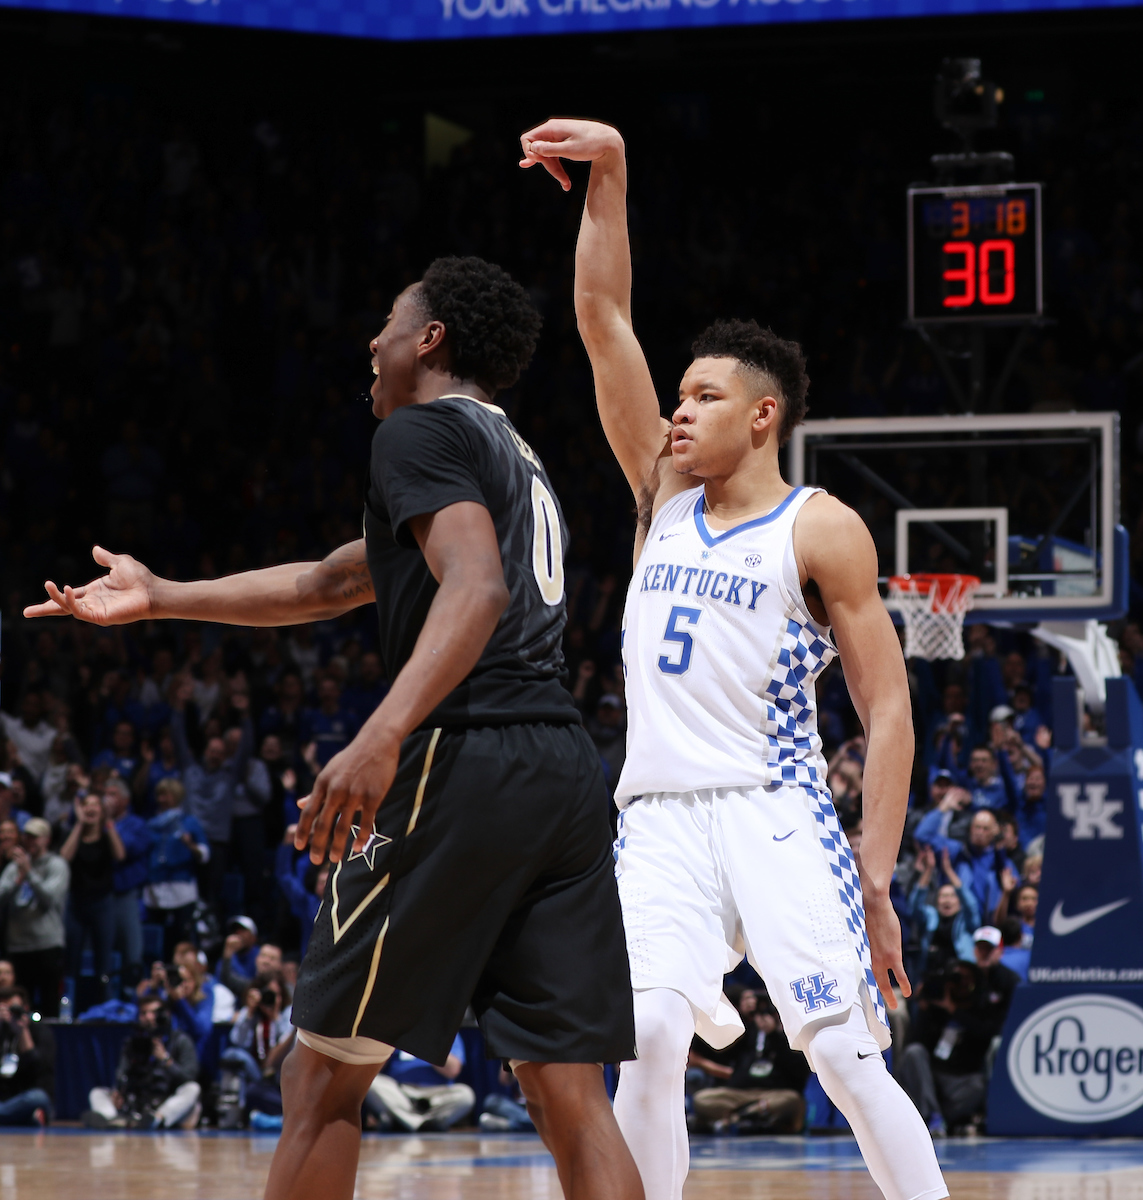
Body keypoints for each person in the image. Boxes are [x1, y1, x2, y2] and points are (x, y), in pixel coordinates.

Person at [26, 254, 638, 1200]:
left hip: (464, 755)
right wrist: (162, 597)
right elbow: (335, 580)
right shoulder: (507, 450)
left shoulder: (417, 432)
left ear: (429, 340)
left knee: (318, 1077)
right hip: (560, 770)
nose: (373, 339)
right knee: (568, 1090)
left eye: (391, 320)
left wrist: (381, 732)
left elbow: (476, 587)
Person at [521, 117, 946, 1200]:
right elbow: (602, 315)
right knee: (650, 1035)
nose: (677, 412)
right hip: (657, 815)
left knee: (847, 1059)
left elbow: (886, 710)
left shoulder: (821, 527)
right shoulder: (660, 496)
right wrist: (609, 173)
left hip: (775, 808)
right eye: (678, 396)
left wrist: (879, 872)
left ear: (763, 416)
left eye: (702, 397)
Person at [897, 927, 1019, 1135]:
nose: (962, 985)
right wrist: (928, 1006)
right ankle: (933, 1117)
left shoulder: (995, 990)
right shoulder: (940, 999)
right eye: (957, 980)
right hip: (934, 1074)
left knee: (978, 1086)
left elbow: (987, 1030)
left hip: (962, 1077)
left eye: (967, 981)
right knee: (913, 1054)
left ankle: (951, 1120)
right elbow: (918, 1040)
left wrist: (956, 1010)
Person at [691, 997, 810, 1134]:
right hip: (739, 1095)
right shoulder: (748, 1032)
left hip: (772, 1095)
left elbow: (799, 1071)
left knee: (792, 1100)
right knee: (702, 1099)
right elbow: (722, 1049)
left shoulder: (791, 1034)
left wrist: (775, 1035)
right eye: (759, 1013)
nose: (763, 1018)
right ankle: (748, 1116)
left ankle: (736, 1118)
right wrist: (743, 1017)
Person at [85, 996, 201, 1129]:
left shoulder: (180, 1041)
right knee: (97, 1093)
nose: (148, 1017)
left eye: (153, 1012)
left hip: (164, 1100)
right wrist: (119, 1090)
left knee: (192, 1089)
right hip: (137, 1101)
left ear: (165, 1015)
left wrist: (166, 1061)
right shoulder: (132, 1042)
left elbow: (189, 1077)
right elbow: (122, 1071)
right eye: (143, 1013)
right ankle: (111, 1119)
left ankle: (156, 1119)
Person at [60, 791, 126, 1005]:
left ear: (101, 810)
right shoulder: (74, 834)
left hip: (102, 904)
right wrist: (79, 824)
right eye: (86, 804)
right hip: (76, 904)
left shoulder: (107, 836)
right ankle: (70, 1009)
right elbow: (64, 857)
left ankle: (104, 1008)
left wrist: (108, 823)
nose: (90, 808)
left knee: (103, 963)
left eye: (95, 804)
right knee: (72, 962)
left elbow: (120, 855)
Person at [0, 818, 69, 1017]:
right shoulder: (14, 867)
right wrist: (16, 881)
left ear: (46, 839)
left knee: (49, 1004)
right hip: (18, 945)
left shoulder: (57, 865)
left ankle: (50, 1044)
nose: (31, 842)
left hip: (47, 943)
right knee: (20, 1005)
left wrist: (29, 873)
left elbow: (50, 898)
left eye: (36, 838)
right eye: (28, 837)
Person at [218, 969, 294, 1128]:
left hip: (281, 1075)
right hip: (257, 1073)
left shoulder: (287, 1014)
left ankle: (276, 1118)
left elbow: (285, 1050)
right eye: (267, 993)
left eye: (276, 994)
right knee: (235, 1057)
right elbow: (237, 1041)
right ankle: (276, 1119)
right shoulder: (251, 1014)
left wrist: (275, 1018)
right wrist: (250, 1012)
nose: (272, 999)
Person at [143, 779, 209, 956]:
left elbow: (205, 854)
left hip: (181, 889)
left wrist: (191, 846)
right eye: (160, 794)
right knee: (156, 942)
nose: (162, 799)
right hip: (155, 888)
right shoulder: (151, 824)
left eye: (167, 795)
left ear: (177, 797)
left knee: (181, 939)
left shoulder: (189, 822)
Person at [366, 1033, 475, 1132]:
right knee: (372, 1083)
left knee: (465, 1094)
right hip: (400, 1094)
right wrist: (389, 1043)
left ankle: (404, 1121)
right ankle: (422, 1125)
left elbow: (452, 1071)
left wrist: (425, 1043)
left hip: (436, 1096)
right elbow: (374, 1069)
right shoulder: (396, 1030)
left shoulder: (447, 1031)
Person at [103, 778, 152, 990]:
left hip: (126, 895)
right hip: (100, 897)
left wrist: (109, 825)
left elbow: (124, 851)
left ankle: (131, 999)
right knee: (100, 955)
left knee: (132, 954)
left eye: (113, 794)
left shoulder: (137, 825)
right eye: (105, 794)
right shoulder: (94, 823)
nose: (107, 799)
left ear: (125, 800)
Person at [0, 986, 55, 1126]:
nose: (10, 1014)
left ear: (25, 1008)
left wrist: (22, 1031)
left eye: (14, 1009)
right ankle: (23, 1118)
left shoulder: (40, 1031)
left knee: (37, 1097)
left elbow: (39, 1068)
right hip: (5, 1100)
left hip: (27, 1098)